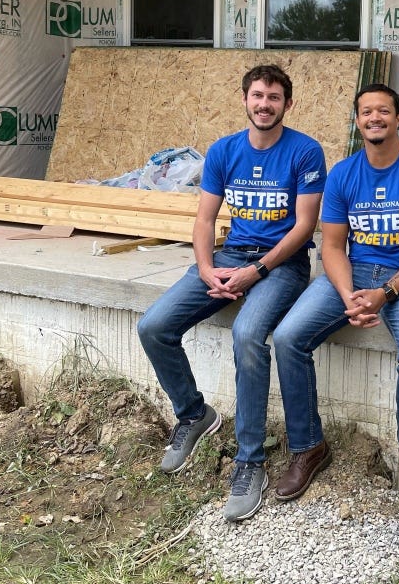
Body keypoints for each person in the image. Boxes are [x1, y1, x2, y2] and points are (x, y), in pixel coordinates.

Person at [136, 64, 327, 523]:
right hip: (229, 255)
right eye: (258, 95)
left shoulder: (305, 151)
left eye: (275, 97)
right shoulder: (223, 151)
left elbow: (305, 227)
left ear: (288, 104)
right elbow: (204, 220)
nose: (265, 104)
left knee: (247, 335)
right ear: (244, 99)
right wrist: (207, 268)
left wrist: (256, 271)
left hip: (280, 265)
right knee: (154, 325)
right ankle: (193, 414)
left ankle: (250, 462)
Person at [271, 83, 399, 501]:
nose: (375, 118)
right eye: (367, 112)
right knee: (287, 337)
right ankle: (308, 447)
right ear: (357, 121)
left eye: (383, 111)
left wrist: (384, 293)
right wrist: (350, 292)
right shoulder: (344, 173)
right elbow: (332, 246)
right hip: (354, 273)